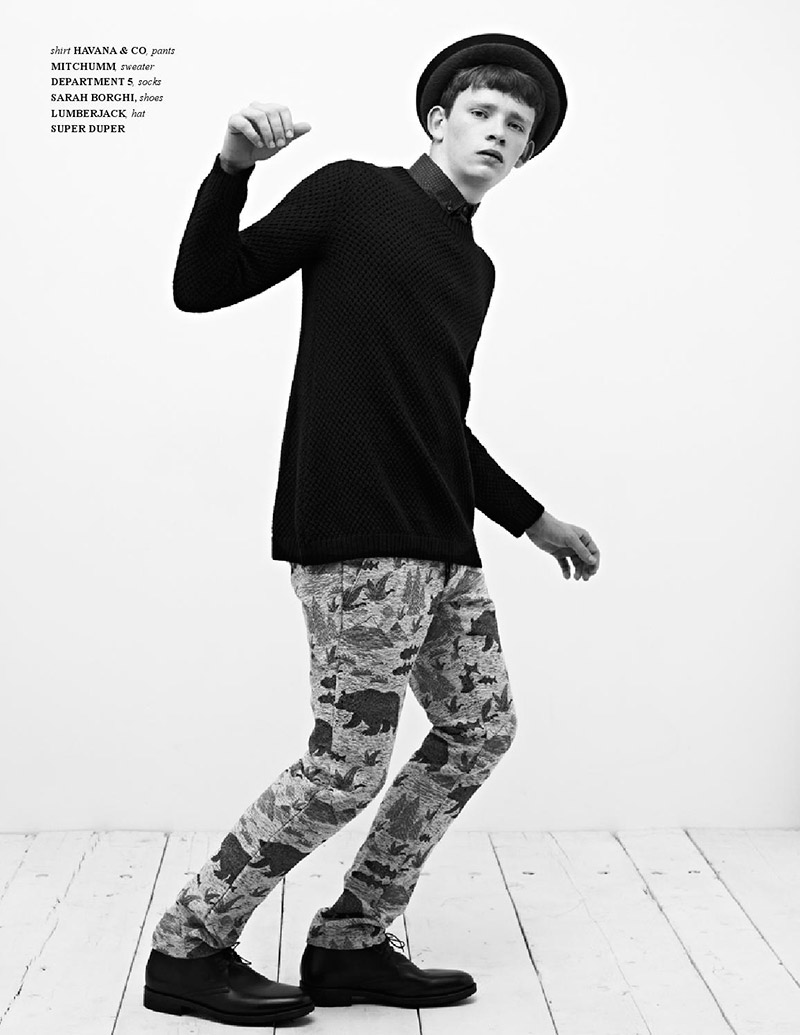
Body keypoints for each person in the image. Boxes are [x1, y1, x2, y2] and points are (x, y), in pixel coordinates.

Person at [143, 31, 600, 1028]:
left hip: (443, 547)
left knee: (479, 729)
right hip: (356, 536)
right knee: (345, 767)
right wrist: (231, 169)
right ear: (438, 120)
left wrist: (533, 521)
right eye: (481, 113)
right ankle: (186, 947)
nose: (496, 133)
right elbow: (202, 283)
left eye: (515, 127)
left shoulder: (474, 269)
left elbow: (438, 422)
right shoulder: (353, 195)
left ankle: (352, 940)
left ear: (524, 156)